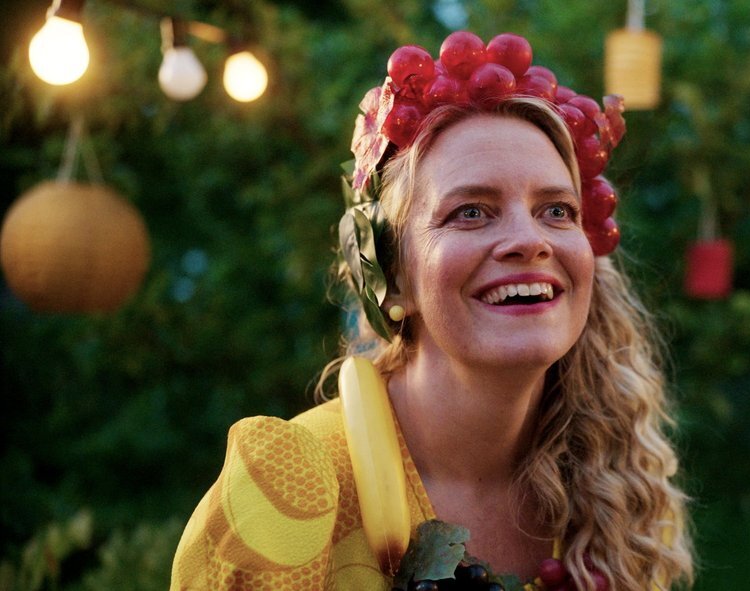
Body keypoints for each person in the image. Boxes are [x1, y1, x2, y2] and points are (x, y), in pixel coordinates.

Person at [171, 31, 693, 591]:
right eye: (471, 212)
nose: (530, 240)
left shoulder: (621, 490)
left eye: (557, 211)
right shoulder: (290, 488)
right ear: (392, 278)